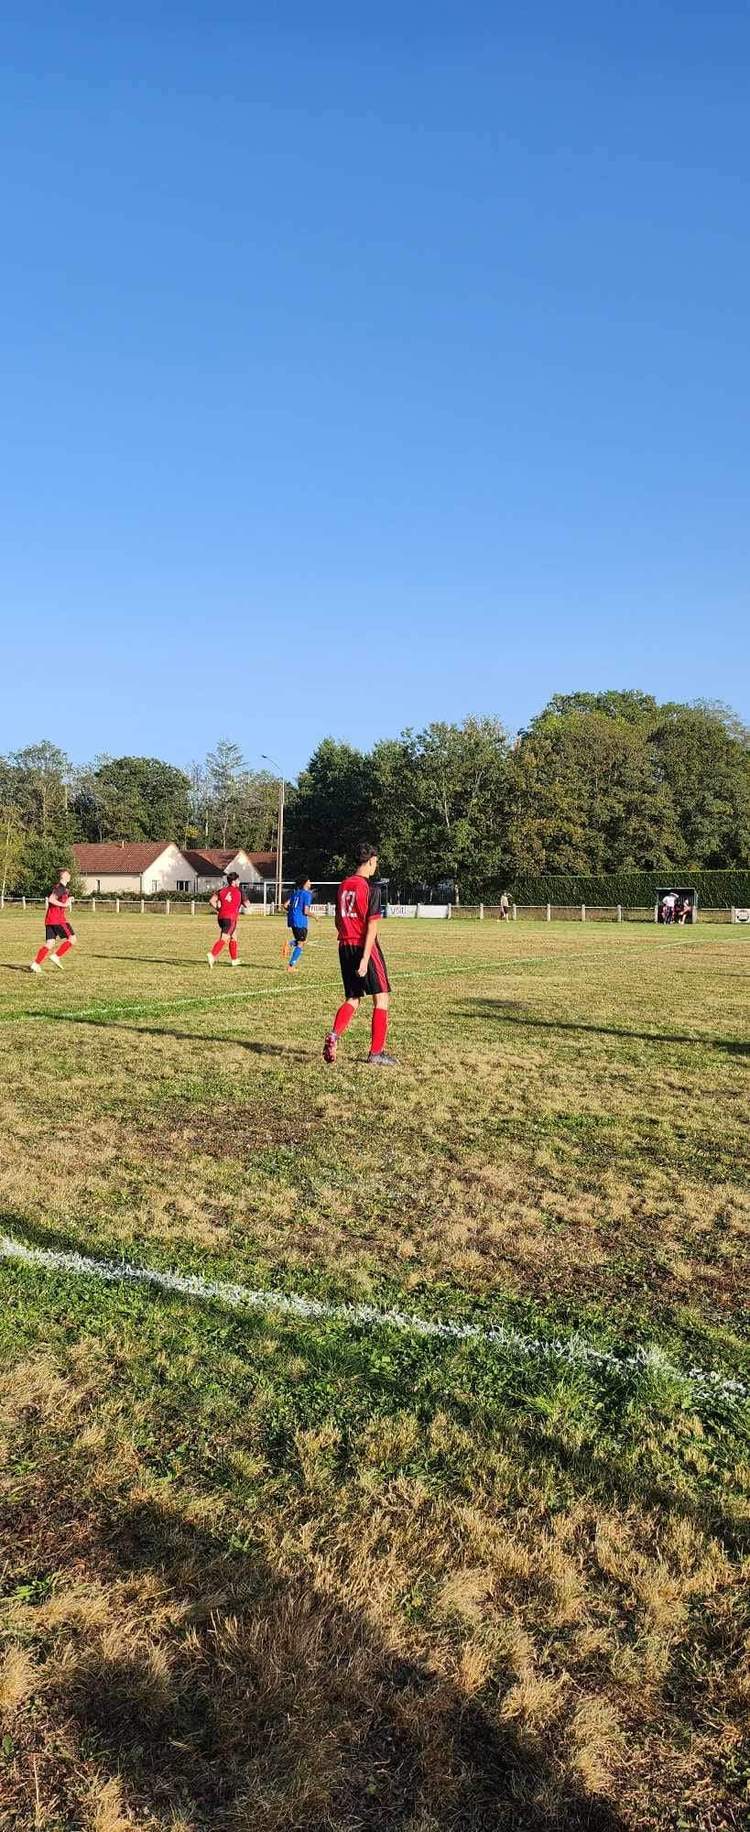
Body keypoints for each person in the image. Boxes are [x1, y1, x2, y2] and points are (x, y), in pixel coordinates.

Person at [323, 842, 396, 1067]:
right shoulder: (371, 889)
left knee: (353, 998)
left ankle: (334, 1035)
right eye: (376, 862)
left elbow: (337, 919)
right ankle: (376, 1052)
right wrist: (365, 958)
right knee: (381, 997)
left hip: (345, 945)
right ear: (371, 861)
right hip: (365, 946)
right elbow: (372, 927)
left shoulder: (343, 885)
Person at [30, 870, 77, 972]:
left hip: (50, 919)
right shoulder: (60, 888)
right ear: (63, 876)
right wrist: (65, 904)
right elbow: (51, 899)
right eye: (68, 874)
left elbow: (57, 900)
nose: (70, 876)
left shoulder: (61, 888)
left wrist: (68, 900)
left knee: (50, 943)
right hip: (58, 919)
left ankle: (36, 964)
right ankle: (56, 956)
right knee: (72, 938)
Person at [207, 871, 250, 967]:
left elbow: (211, 901)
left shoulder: (221, 890)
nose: (239, 882)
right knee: (224, 938)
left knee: (233, 936)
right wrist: (242, 902)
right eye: (238, 880)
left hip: (221, 917)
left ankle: (234, 960)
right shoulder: (239, 891)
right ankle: (212, 955)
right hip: (231, 918)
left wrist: (218, 908)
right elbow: (247, 904)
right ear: (234, 881)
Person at [283, 876, 314, 971]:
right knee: (301, 943)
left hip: (292, 919)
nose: (310, 883)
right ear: (305, 883)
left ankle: (290, 943)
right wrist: (315, 916)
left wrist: (293, 911)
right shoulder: (307, 894)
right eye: (309, 881)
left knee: (302, 941)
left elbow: (285, 905)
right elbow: (306, 911)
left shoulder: (295, 893)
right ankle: (291, 966)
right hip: (300, 921)